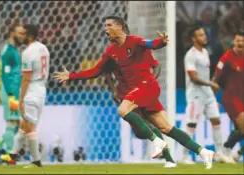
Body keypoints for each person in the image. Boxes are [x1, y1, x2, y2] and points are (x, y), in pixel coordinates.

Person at [54, 15, 215, 169]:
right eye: (105, 26)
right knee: (165, 128)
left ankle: (158, 144)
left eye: (109, 25)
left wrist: (163, 41)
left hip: (146, 86)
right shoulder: (111, 51)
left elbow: (152, 44)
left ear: (120, 27)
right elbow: (96, 71)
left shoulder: (135, 41)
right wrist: (71, 75)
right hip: (135, 92)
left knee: (122, 110)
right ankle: (203, 152)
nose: (105, 29)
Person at [104, 23, 176, 168]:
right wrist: (113, 90)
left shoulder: (141, 50)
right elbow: (106, 72)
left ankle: (168, 158)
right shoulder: (112, 53)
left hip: (141, 91)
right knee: (138, 131)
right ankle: (164, 151)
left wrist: (149, 83)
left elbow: (156, 65)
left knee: (152, 124)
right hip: (124, 94)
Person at [1, 24, 50, 168]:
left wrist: (20, 99)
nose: (21, 36)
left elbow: (26, 78)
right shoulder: (44, 48)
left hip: (31, 91)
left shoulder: (27, 53)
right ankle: (12, 155)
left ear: (29, 35)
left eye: (23, 33)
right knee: (23, 125)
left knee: (29, 127)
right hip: (42, 89)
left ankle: (36, 161)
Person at [182, 25, 230, 164]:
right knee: (191, 125)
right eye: (201, 35)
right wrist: (211, 84)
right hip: (195, 95)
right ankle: (185, 156)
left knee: (216, 120)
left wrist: (210, 88)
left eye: (204, 34)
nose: (204, 37)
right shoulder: (190, 55)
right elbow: (193, 77)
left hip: (208, 95)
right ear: (193, 38)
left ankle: (220, 153)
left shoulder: (204, 51)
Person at [212, 31, 244, 162]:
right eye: (238, 41)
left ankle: (232, 152)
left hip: (242, 98)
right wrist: (212, 98)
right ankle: (227, 150)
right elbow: (215, 78)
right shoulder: (227, 57)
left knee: (240, 130)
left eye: (242, 41)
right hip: (231, 98)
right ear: (233, 42)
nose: (240, 43)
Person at [0, 24, 25, 153]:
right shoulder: (8, 51)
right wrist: (11, 93)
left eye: (23, 34)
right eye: (19, 33)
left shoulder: (13, 50)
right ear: (12, 33)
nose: (22, 36)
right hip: (10, 92)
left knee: (17, 123)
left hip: (13, 91)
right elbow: (6, 75)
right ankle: (8, 152)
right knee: (12, 121)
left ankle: (1, 143)